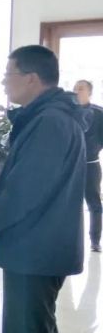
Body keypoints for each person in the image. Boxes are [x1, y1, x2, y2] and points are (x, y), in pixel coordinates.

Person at [0, 46, 86, 333]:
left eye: (8, 74)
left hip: (37, 248)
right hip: (39, 245)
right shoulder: (49, 117)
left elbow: (26, 187)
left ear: (31, 78)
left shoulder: (50, 122)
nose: (4, 82)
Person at [73, 79, 103, 252]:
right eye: (75, 88)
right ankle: (69, 239)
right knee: (69, 204)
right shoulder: (68, 112)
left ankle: (95, 241)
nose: (77, 91)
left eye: (81, 89)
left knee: (94, 204)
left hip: (91, 165)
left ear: (89, 93)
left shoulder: (99, 113)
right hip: (71, 166)